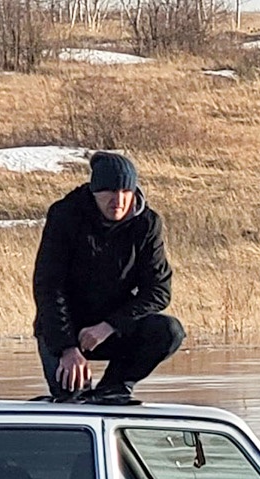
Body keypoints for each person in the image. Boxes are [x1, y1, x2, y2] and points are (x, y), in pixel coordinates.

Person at [32, 150, 184, 404]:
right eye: (110, 191)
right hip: (66, 328)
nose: (119, 200)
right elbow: (49, 287)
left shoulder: (147, 223)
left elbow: (159, 290)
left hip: (114, 327)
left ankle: (114, 388)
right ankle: (71, 397)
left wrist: (110, 325)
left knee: (169, 331)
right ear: (94, 191)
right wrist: (67, 348)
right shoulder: (65, 215)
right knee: (72, 400)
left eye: (126, 191)